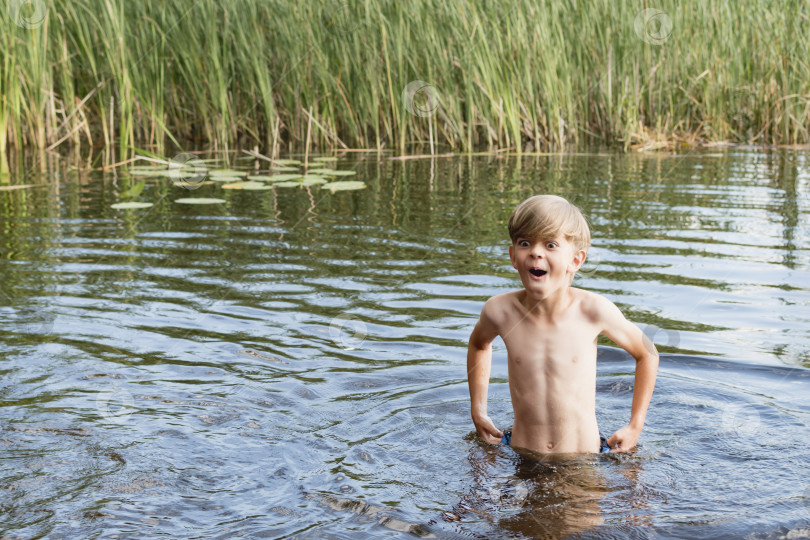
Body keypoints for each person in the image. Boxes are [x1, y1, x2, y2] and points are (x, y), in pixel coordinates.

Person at [467, 194, 658, 454]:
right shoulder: (500, 312)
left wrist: (635, 425)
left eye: (550, 244)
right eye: (525, 243)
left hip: (583, 459)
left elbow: (647, 352)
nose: (535, 252)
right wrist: (478, 410)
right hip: (523, 456)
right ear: (513, 256)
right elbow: (479, 344)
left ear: (575, 260)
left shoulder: (593, 311)